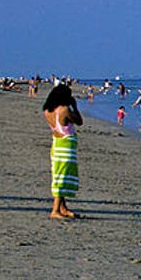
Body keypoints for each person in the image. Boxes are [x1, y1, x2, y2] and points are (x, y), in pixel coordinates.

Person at [42, 83, 83, 219]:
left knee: (58, 174)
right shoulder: (64, 110)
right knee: (63, 176)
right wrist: (74, 107)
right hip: (66, 146)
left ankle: (63, 208)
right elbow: (79, 121)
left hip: (56, 144)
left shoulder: (48, 111)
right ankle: (55, 210)